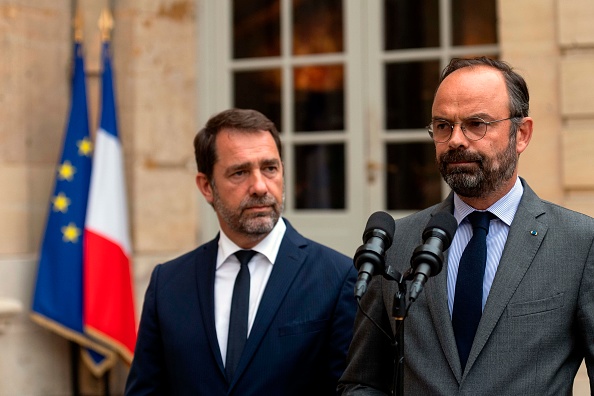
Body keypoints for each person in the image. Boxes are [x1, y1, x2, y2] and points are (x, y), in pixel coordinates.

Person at [338, 57, 594, 395]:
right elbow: (362, 381)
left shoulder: (578, 242)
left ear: (522, 134)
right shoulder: (399, 242)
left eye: (476, 124)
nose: (456, 140)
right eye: (443, 126)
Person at [125, 108, 357, 395]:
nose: (260, 186)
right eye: (240, 172)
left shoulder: (336, 277)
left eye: (270, 168)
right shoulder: (168, 284)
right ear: (206, 187)